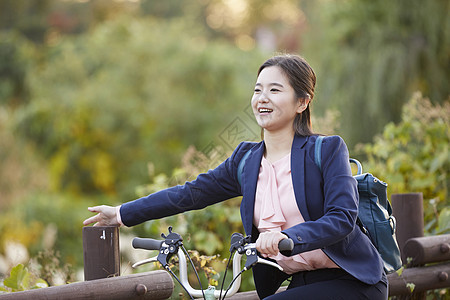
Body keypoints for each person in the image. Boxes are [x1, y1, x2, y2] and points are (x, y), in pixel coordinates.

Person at [83, 54, 388, 299]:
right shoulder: (246, 159)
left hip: (352, 280)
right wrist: (122, 213)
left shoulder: (327, 149)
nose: (262, 98)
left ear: (302, 102)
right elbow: (191, 193)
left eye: (275, 90)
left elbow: (342, 218)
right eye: (258, 90)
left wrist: (288, 238)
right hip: (301, 283)